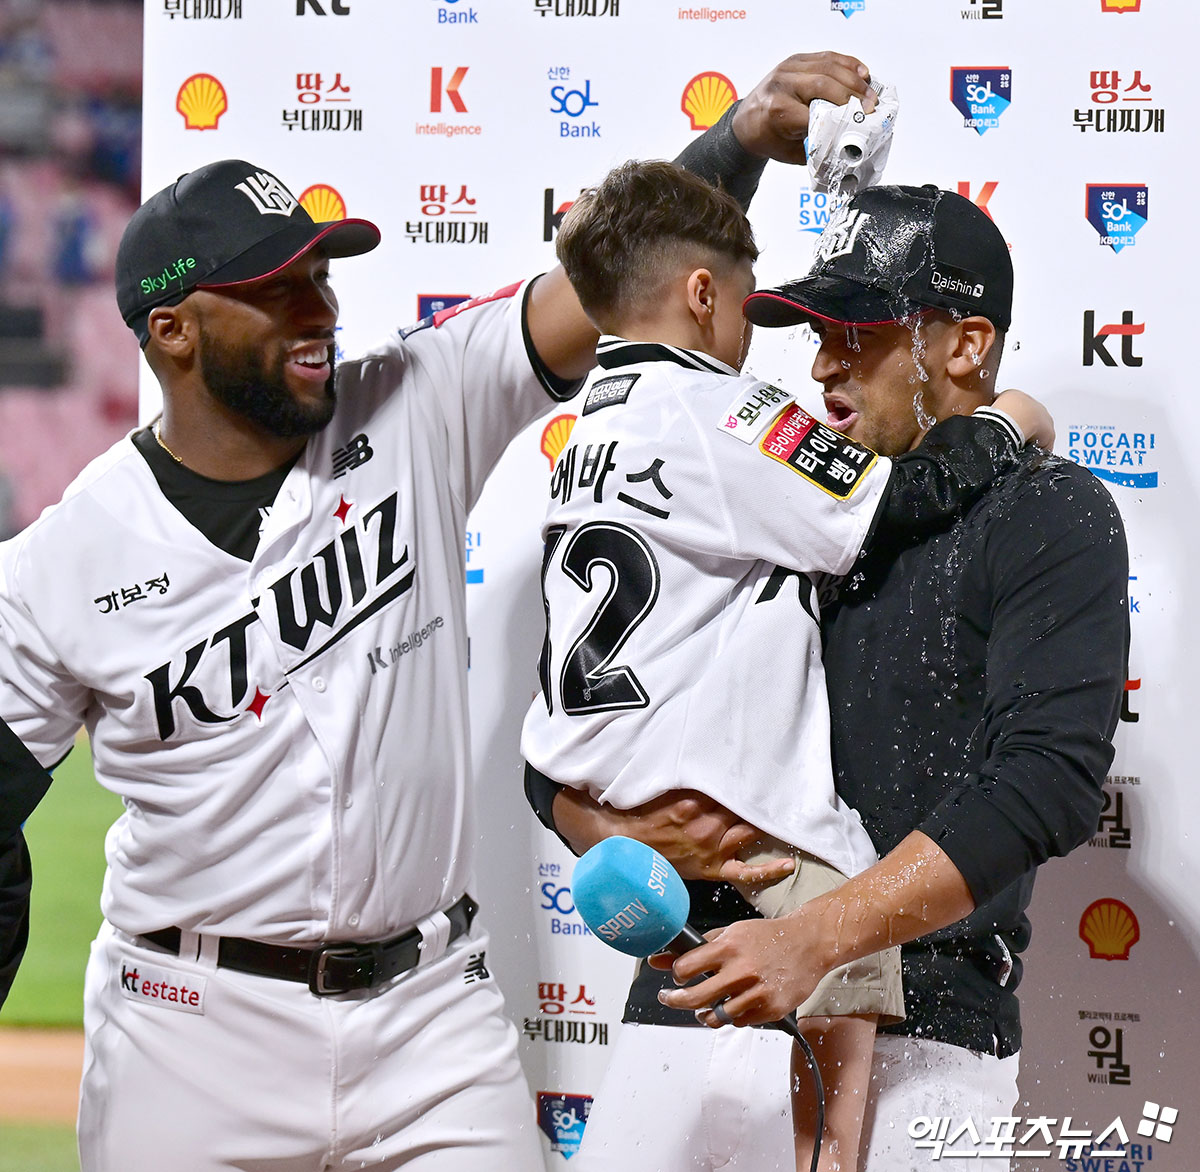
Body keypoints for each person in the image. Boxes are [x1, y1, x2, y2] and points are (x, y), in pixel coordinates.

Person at [0, 51, 884, 1172]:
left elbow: (614, 285)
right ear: (172, 330)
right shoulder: (61, 565)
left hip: (427, 1021)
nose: (320, 308)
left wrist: (740, 142)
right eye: (275, 290)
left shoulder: (415, 399)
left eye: (321, 275)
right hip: (189, 1034)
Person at [530, 184, 1129, 1171]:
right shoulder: (762, 496)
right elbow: (571, 723)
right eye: (816, 334)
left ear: (965, 345)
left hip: (923, 1041)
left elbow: (1044, 785)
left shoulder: (1049, 511)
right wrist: (601, 823)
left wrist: (816, 938)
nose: (820, 366)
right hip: (687, 1010)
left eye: (857, 334)